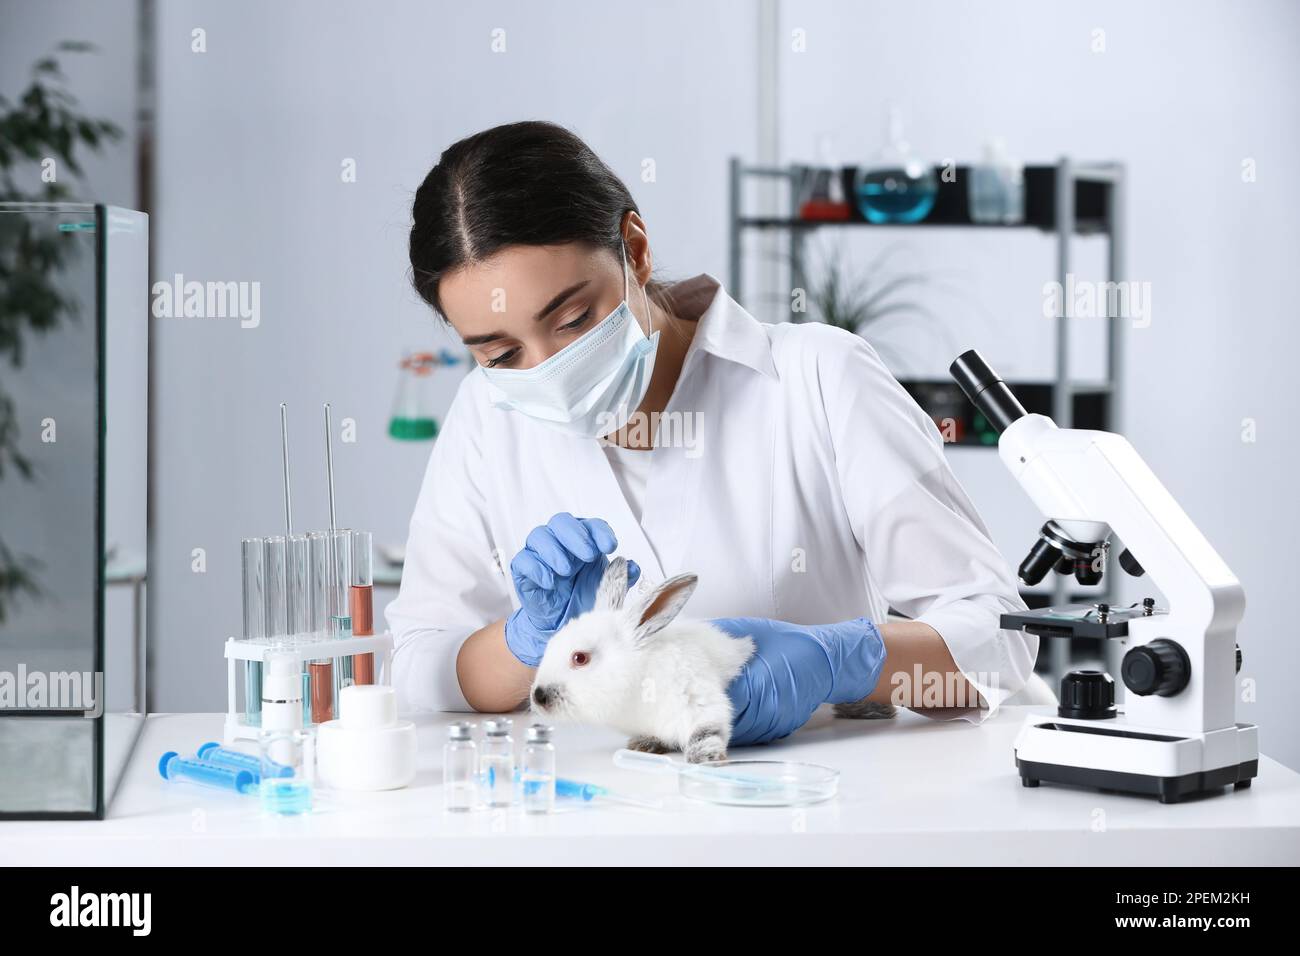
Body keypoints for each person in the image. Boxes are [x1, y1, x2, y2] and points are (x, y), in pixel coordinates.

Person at [387, 120, 1036, 745]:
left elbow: (999, 641)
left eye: (575, 319)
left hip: (819, 813)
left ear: (634, 250)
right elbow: (419, 663)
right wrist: (525, 639)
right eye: (500, 354)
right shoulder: (484, 417)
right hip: (592, 816)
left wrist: (844, 661)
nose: (548, 371)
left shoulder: (817, 378)